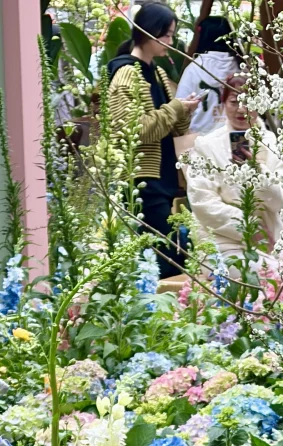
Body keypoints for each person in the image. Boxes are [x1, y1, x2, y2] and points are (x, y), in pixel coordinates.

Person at [108, 4, 200, 276]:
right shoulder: (127, 73)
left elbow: (169, 123)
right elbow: (135, 130)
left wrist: (184, 110)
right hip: (142, 180)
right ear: (149, 33)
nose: (170, 41)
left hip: (162, 177)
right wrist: (176, 109)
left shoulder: (156, 72)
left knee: (169, 250)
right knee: (165, 255)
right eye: (167, 35)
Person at [186, 76, 283, 271]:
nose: (241, 109)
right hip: (222, 244)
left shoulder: (274, 144)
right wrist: (248, 227)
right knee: (272, 274)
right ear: (223, 103)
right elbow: (202, 202)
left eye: (249, 102)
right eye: (234, 101)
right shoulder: (206, 146)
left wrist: (259, 172)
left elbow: (280, 202)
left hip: (270, 242)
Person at [175, 16, 240, 140]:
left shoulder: (194, 69)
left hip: (198, 140)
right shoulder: (240, 68)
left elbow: (179, 107)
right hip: (233, 139)